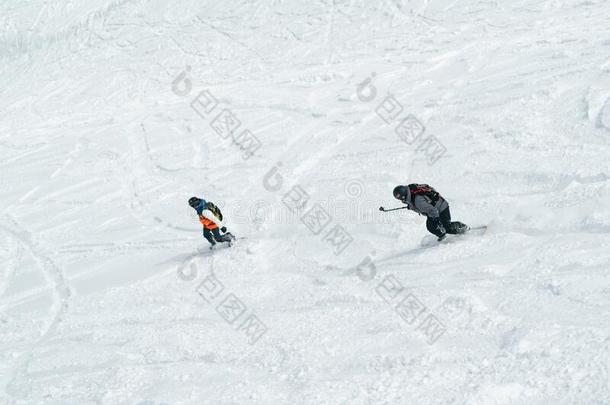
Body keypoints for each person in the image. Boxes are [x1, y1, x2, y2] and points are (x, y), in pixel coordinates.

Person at [392, 184, 469, 241]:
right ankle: (443, 234)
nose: (400, 200)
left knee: (446, 226)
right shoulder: (411, 194)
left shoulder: (417, 200)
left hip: (441, 207)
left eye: (399, 198)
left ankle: (463, 228)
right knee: (431, 226)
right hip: (435, 208)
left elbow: (432, 210)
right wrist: (411, 206)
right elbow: (423, 206)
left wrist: (436, 220)